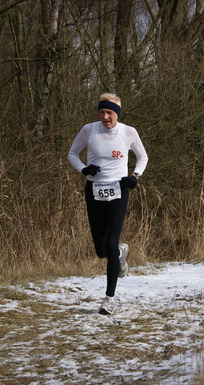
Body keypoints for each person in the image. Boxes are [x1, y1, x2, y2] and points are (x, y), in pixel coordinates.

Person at [68, 93, 148, 315]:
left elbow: (143, 157)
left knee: (111, 243)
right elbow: (72, 153)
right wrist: (84, 169)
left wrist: (135, 176)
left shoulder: (128, 132)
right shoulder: (88, 130)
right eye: (102, 112)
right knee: (101, 250)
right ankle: (120, 253)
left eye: (109, 112)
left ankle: (109, 299)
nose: (105, 117)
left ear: (117, 114)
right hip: (93, 192)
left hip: (118, 191)